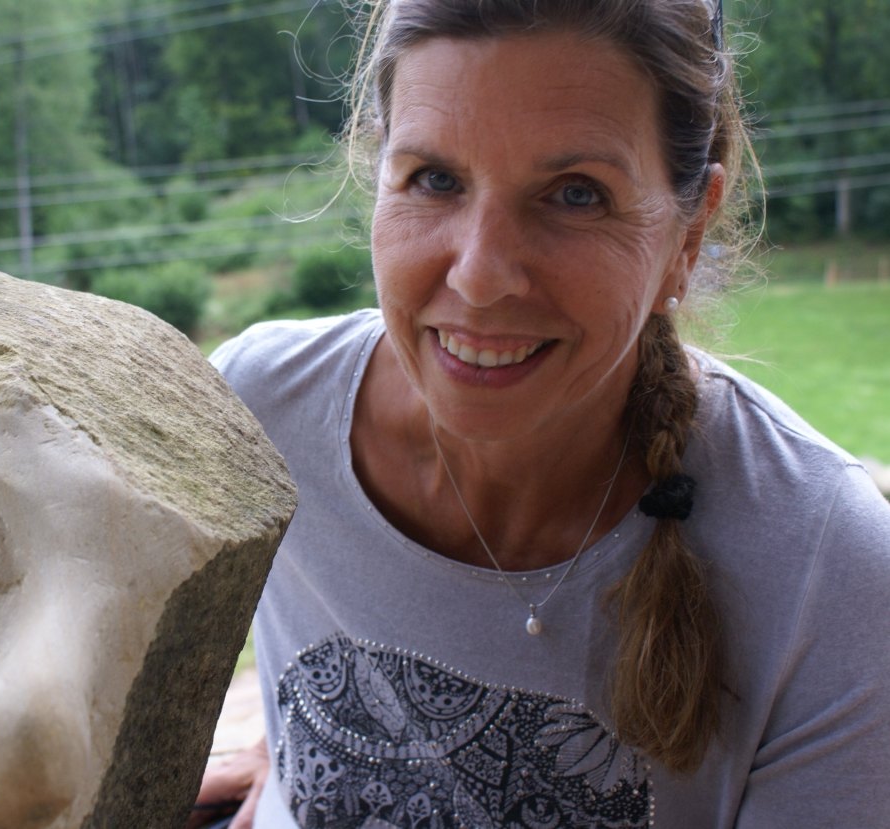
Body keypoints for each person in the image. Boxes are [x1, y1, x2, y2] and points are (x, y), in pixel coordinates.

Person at [194, 1, 890, 827]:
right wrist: (292, 752)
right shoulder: (258, 412)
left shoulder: (826, 572)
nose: (480, 274)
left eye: (575, 194)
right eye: (435, 179)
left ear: (688, 230)